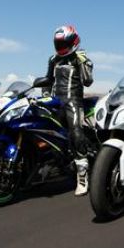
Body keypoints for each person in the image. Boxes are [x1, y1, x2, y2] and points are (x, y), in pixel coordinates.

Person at [36, 25, 95, 195]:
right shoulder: (53, 59)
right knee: (45, 131)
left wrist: (84, 62)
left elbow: (88, 81)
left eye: (64, 44)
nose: (61, 47)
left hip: (73, 102)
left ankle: (82, 176)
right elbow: (48, 80)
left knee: (76, 133)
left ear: (73, 42)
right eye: (58, 44)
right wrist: (44, 96)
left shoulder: (80, 58)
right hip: (55, 102)